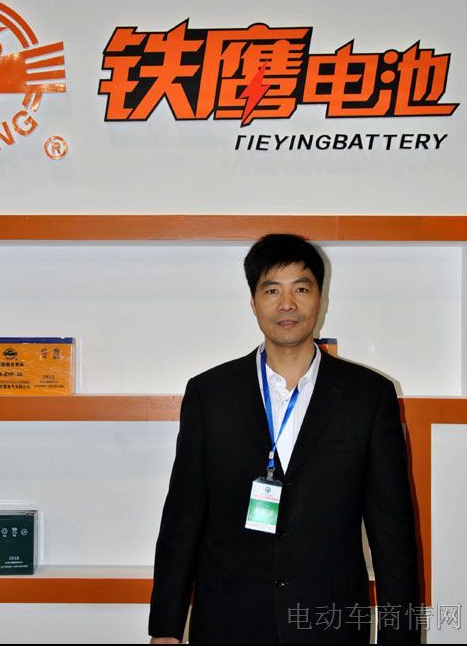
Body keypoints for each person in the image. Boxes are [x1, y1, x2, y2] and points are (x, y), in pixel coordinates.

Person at [148, 234, 420, 644]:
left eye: (301, 289)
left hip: (329, 624)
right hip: (229, 622)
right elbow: (183, 516)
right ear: (253, 303)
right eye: (272, 290)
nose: (287, 304)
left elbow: (392, 530)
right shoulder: (210, 393)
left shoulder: (368, 396)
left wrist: (400, 636)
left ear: (320, 299)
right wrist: (165, 628)